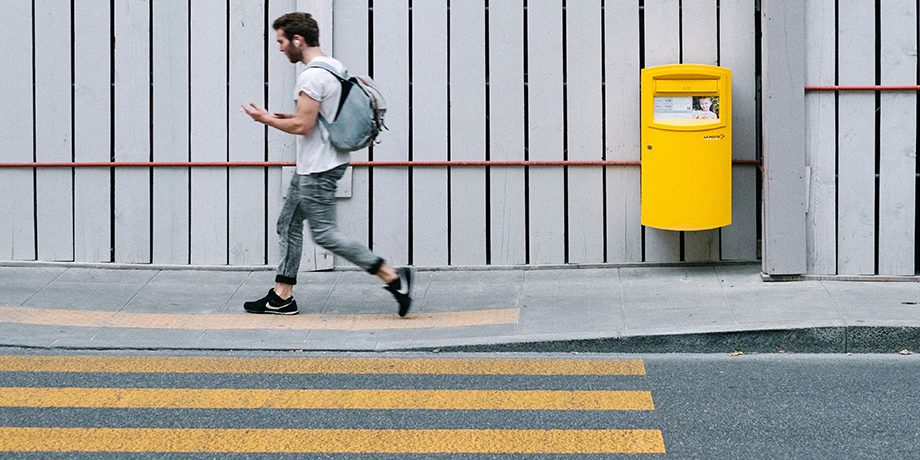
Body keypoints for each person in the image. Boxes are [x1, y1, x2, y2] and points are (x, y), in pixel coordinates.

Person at [241, 12, 412, 317]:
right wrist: (287, 118)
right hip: (314, 165)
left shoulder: (311, 76)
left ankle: (394, 277)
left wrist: (265, 119)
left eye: (281, 41)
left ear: (297, 40)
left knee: (324, 234)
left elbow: (304, 127)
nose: (280, 48)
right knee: (288, 224)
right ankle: (282, 296)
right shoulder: (333, 66)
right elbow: (319, 117)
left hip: (319, 169)